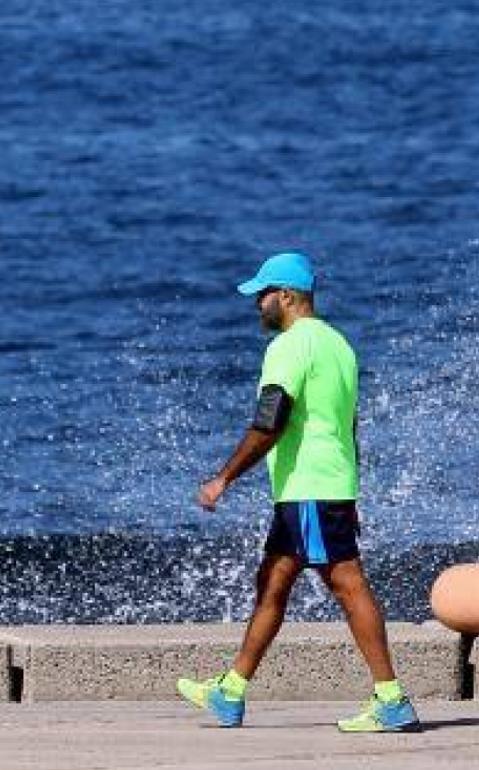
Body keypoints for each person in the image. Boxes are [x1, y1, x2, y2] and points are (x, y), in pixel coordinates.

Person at [177, 251, 420, 733]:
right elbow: (348, 428)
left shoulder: (289, 347)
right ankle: (230, 691)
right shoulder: (340, 346)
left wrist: (223, 478)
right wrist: (351, 495)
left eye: (264, 295)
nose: (258, 304)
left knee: (347, 584)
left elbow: (270, 422)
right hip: (324, 487)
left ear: (287, 297)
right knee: (272, 583)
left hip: (308, 488)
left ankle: (391, 698)